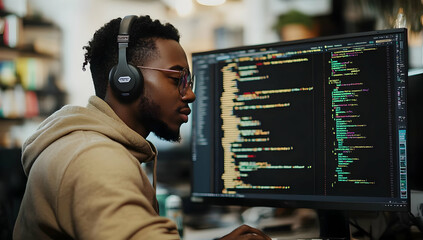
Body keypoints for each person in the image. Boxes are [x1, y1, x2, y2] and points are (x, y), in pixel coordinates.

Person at [13, 15, 271, 240]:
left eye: (189, 81)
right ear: (126, 80)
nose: (190, 94)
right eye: (177, 79)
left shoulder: (86, 146)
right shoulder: (94, 159)